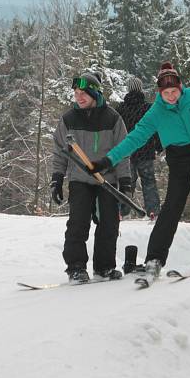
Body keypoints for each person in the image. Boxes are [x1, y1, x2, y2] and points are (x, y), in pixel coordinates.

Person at [90, 62, 190, 281]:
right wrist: (108, 160)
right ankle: (154, 259)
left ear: (181, 88)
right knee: (171, 207)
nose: (170, 97)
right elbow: (135, 137)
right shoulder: (156, 112)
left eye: (174, 92)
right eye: (165, 93)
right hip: (179, 159)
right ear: (159, 93)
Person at [50, 69, 133, 284]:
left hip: (107, 179)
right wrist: (57, 179)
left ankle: (104, 268)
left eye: (83, 93)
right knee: (78, 222)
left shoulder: (113, 119)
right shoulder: (68, 119)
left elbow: (123, 152)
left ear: (95, 94)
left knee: (109, 224)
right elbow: (60, 150)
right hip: (80, 179)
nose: (79, 97)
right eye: (76, 93)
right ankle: (76, 267)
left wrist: (125, 184)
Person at [115, 76, 162, 220]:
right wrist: (159, 146)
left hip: (126, 151)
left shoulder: (121, 109)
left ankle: (122, 212)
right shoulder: (148, 108)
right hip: (145, 151)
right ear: (140, 89)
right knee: (149, 182)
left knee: (126, 182)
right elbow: (155, 128)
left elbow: (115, 131)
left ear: (128, 89)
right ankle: (153, 212)